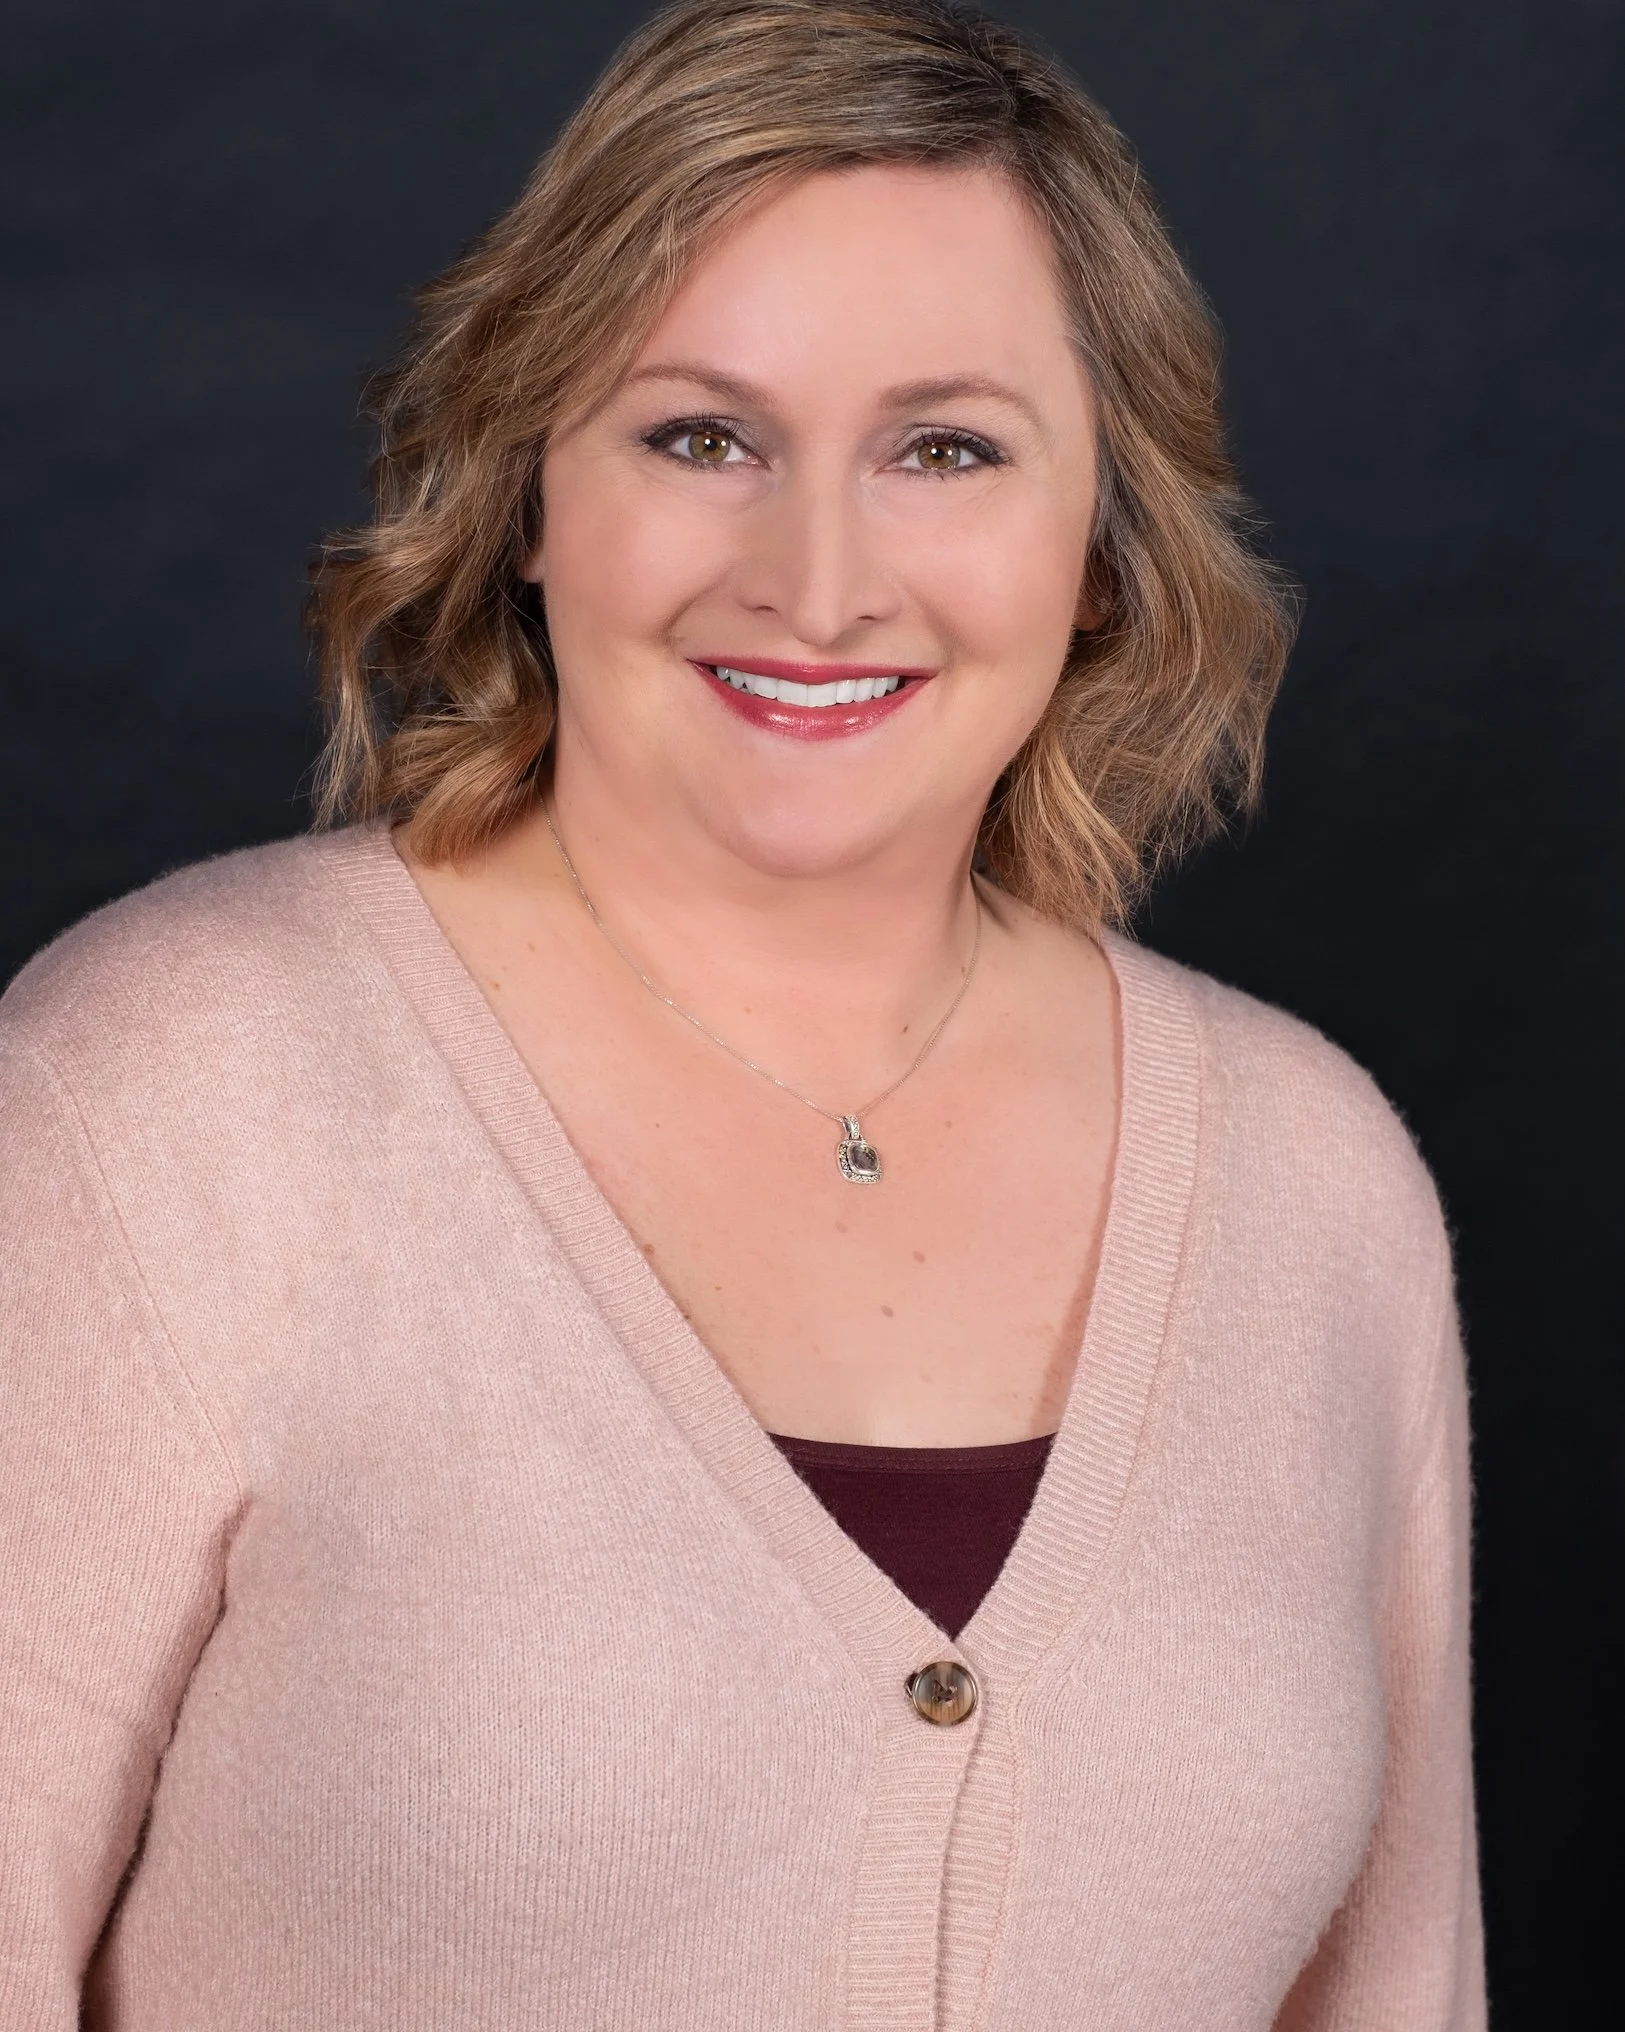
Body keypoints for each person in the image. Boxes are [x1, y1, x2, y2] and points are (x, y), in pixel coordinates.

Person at [0, 1, 1484, 2024]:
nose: (817, 579)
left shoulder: (1314, 1183)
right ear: (531, 494)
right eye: (701, 436)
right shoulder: (170, 1099)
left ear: (1098, 541)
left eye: (945, 450)